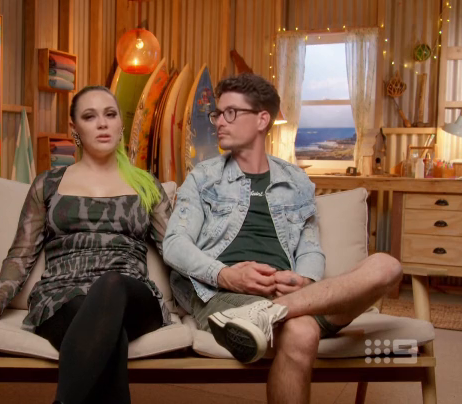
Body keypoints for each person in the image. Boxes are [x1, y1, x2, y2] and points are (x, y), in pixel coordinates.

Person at [163, 73, 402, 404]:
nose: (219, 121)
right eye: (218, 113)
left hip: (292, 296)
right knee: (302, 331)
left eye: (231, 112)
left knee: (387, 266)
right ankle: (270, 313)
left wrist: (304, 280)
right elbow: (174, 244)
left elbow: (310, 248)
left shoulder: (296, 181)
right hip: (222, 297)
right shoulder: (203, 178)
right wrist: (226, 274)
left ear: (262, 120)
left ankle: (271, 313)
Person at [0, 85, 172, 404]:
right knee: (109, 336)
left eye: (110, 115)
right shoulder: (48, 183)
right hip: (61, 297)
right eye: (90, 116)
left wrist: (208, 302)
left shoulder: (146, 185)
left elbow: (176, 252)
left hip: (131, 295)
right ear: (75, 129)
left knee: (110, 285)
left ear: (121, 125)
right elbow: (22, 253)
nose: (102, 123)